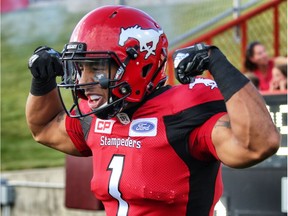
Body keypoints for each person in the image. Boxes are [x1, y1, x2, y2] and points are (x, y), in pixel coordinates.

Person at [25, 5, 280, 216]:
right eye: (81, 68)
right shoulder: (96, 117)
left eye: (97, 68)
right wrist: (42, 81)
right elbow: (44, 127)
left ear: (141, 66)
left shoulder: (183, 115)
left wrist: (218, 64)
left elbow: (258, 145)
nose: (82, 82)